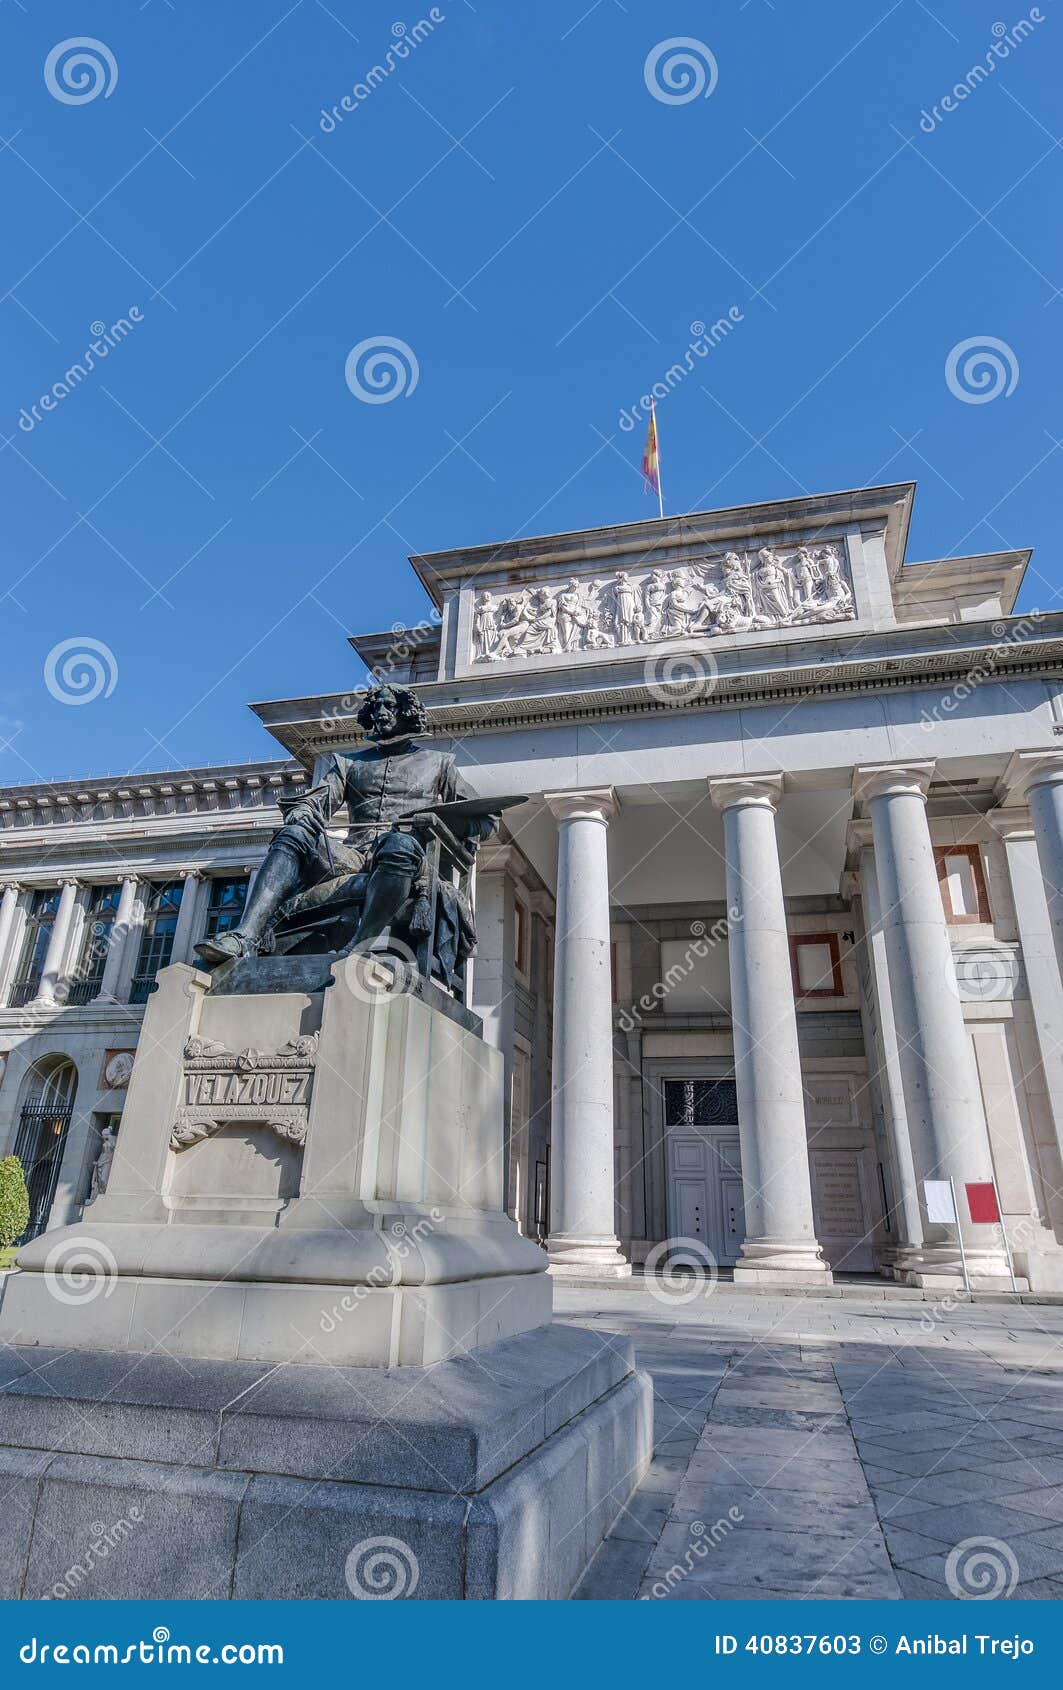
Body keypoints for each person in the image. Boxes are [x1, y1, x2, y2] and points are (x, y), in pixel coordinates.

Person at [194, 685, 476, 969]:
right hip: (351, 857)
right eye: (375, 707)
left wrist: (439, 822)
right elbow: (318, 800)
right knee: (293, 834)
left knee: (398, 844)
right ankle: (245, 936)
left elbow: (479, 818)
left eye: (388, 706)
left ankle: (361, 944)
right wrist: (303, 812)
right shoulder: (348, 763)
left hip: (405, 855)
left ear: (406, 711)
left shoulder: (439, 763)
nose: (380, 712)